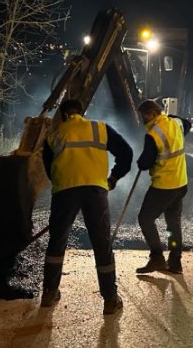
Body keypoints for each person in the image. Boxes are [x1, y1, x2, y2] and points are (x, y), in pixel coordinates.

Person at [40, 99, 133, 315]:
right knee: (102, 245)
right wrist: (113, 178)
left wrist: (60, 183)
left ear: (63, 115)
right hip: (95, 192)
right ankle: (110, 299)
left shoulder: (55, 134)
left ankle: (49, 293)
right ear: (83, 112)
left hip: (64, 193)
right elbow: (126, 154)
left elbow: (47, 165)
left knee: (57, 243)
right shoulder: (100, 128)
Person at [135, 99, 192, 275]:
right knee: (173, 224)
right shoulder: (175, 123)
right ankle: (175, 264)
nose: (142, 119)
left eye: (144, 115)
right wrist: (172, 116)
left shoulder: (153, 134)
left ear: (152, 113)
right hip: (180, 183)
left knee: (145, 218)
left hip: (164, 186)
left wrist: (140, 161)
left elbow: (145, 163)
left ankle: (157, 257)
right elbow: (187, 124)